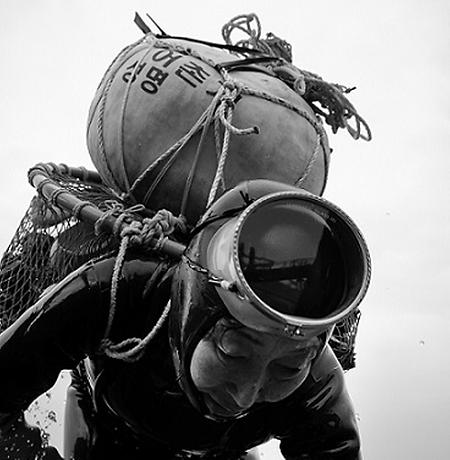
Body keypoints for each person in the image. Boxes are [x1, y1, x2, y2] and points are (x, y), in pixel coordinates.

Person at [0, 179, 370, 460]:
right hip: (109, 420)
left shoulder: (318, 387)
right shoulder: (117, 291)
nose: (244, 397)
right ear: (193, 307)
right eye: (234, 353)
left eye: (288, 369)